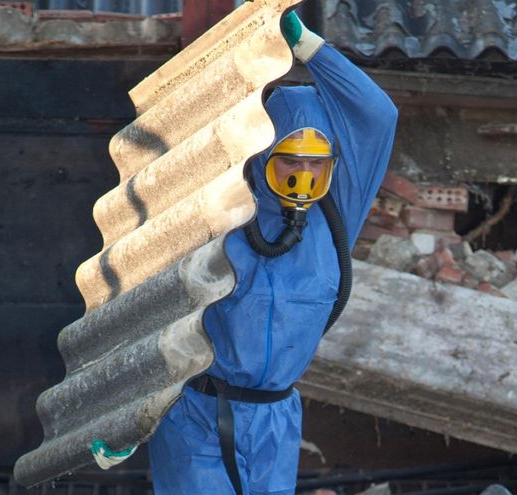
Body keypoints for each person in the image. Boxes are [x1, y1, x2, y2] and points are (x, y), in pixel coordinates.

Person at [98, 7, 397, 494]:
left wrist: (309, 48)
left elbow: (379, 117)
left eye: (315, 167)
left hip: (276, 419)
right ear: (262, 153)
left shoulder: (337, 209)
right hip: (194, 410)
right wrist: (123, 417)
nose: (303, 179)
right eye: (291, 163)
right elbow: (145, 303)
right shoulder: (217, 204)